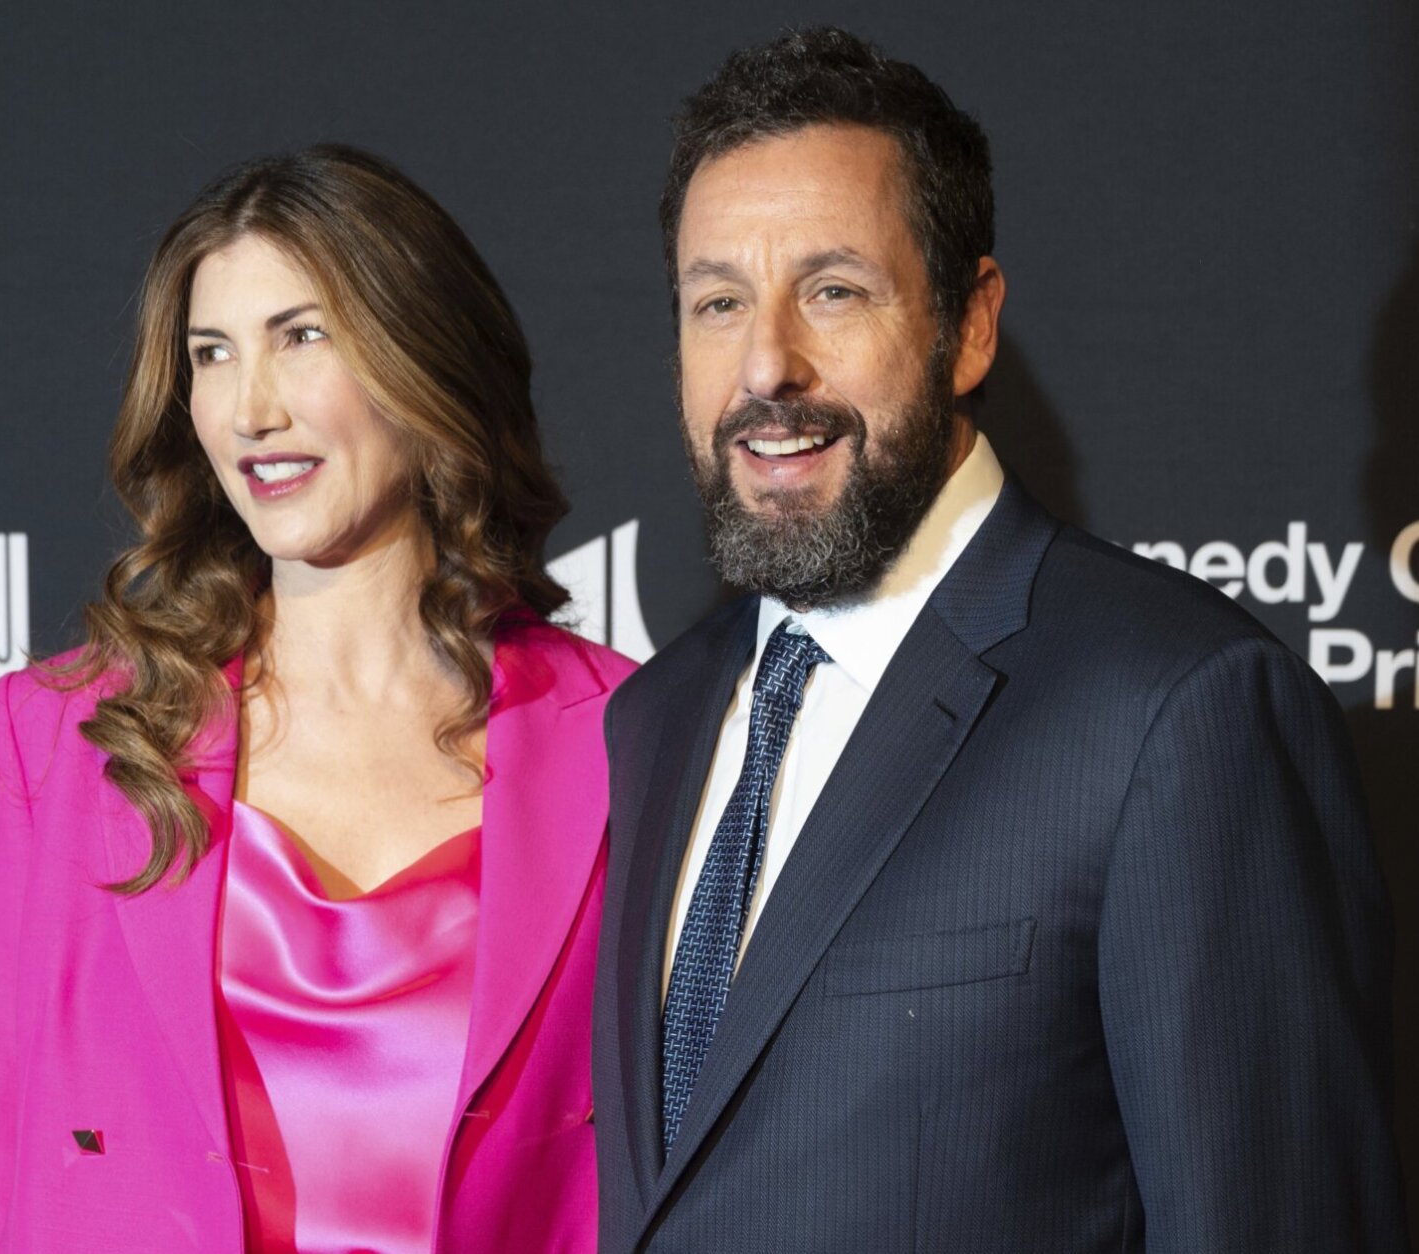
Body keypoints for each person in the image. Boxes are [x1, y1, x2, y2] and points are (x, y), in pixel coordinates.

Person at [592, 28, 1408, 1252]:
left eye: (832, 290)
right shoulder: (652, 718)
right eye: (717, 303)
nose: (766, 365)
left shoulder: (1172, 709)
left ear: (968, 324)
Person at [0, 144, 633, 1253]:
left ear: (423, 358)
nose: (249, 408)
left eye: (302, 337)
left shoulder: (630, 734)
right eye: (211, 354)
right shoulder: (57, 739)